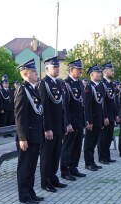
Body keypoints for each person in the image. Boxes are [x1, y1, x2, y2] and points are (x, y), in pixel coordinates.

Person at [14, 58, 44, 204]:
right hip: (27, 136)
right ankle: (24, 196)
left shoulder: (32, 89)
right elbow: (20, 116)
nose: (36, 73)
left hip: (35, 134)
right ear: (25, 73)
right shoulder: (22, 90)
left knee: (32, 166)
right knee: (25, 167)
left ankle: (31, 192)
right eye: (33, 71)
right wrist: (22, 138)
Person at [38, 56, 69, 193]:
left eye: (58, 67)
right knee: (47, 155)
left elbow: (61, 106)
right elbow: (44, 108)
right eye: (54, 67)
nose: (57, 69)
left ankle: (53, 177)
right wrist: (47, 128)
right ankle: (45, 181)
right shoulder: (43, 84)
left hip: (59, 127)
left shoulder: (58, 83)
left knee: (56, 154)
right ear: (47, 69)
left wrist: (64, 125)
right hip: (50, 128)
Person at [61, 59, 86, 181]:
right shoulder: (65, 84)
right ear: (71, 69)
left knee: (77, 146)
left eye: (81, 69)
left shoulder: (80, 83)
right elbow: (64, 106)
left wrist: (84, 119)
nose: (81, 71)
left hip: (79, 121)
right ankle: (65, 171)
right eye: (78, 69)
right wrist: (67, 123)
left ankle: (73, 167)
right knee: (68, 147)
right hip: (71, 122)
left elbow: (82, 104)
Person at [83, 64, 104, 171]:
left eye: (100, 72)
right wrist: (89, 121)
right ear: (92, 74)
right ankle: (88, 163)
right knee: (89, 142)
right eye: (98, 72)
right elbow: (87, 106)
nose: (100, 74)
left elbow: (101, 105)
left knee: (94, 142)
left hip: (98, 119)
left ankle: (92, 162)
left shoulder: (98, 87)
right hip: (92, 120)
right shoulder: (89, 87)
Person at [98, 62, 119, 164]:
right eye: (111, 70)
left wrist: (115, 115)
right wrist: (104, 116)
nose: (113, 72)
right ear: (105, 71)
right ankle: (102, 157)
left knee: (108, 137)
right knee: (103, 138)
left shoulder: (111, 84)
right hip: (105, 116)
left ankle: (107, 156)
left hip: (111, 115)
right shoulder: (102, 84)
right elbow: (102, 103)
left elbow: (113, 102)